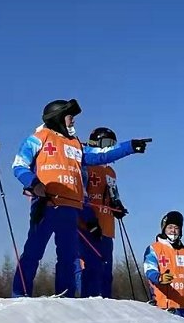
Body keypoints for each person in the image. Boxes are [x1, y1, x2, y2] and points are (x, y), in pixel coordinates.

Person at [11, 99, 150, 297]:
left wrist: (130, 147)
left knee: (67, 256)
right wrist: (34, 184)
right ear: (58, 117)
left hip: (71, 207)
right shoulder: (39, 137)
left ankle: (65, 296)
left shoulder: (76, 145)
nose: (73, 121)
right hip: (46, 204)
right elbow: (18, 165)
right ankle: (20, 294)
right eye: (70, 116)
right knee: (34, 251)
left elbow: (102, 154)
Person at [79, 127, 128, 298]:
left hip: (107, 228)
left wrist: (118, 207)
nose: (109, 148)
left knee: (106, 271)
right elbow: (80, 193)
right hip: (87, 226)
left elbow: (113, 194)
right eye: (106, 143)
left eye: (112, 144)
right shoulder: (85, 164)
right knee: (88, 269)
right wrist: (87, 219)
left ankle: (105, 303)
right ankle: (83, 304)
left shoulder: (110, 171)